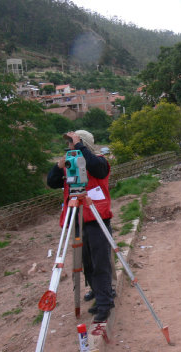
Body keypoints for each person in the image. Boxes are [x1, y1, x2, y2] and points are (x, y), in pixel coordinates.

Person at [47, 130, 114, 322]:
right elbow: (52, 183)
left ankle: (104, 304)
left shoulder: (98, 161)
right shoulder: (72, 163)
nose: (70, 146)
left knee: (100, 262)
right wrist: (57, 167)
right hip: (77, 218)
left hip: (96, 217)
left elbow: (97, 170)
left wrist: (80, 146)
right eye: (70, 143)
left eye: (73, 143)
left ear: (83, 144)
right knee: (87, 263)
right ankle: (100, 295)